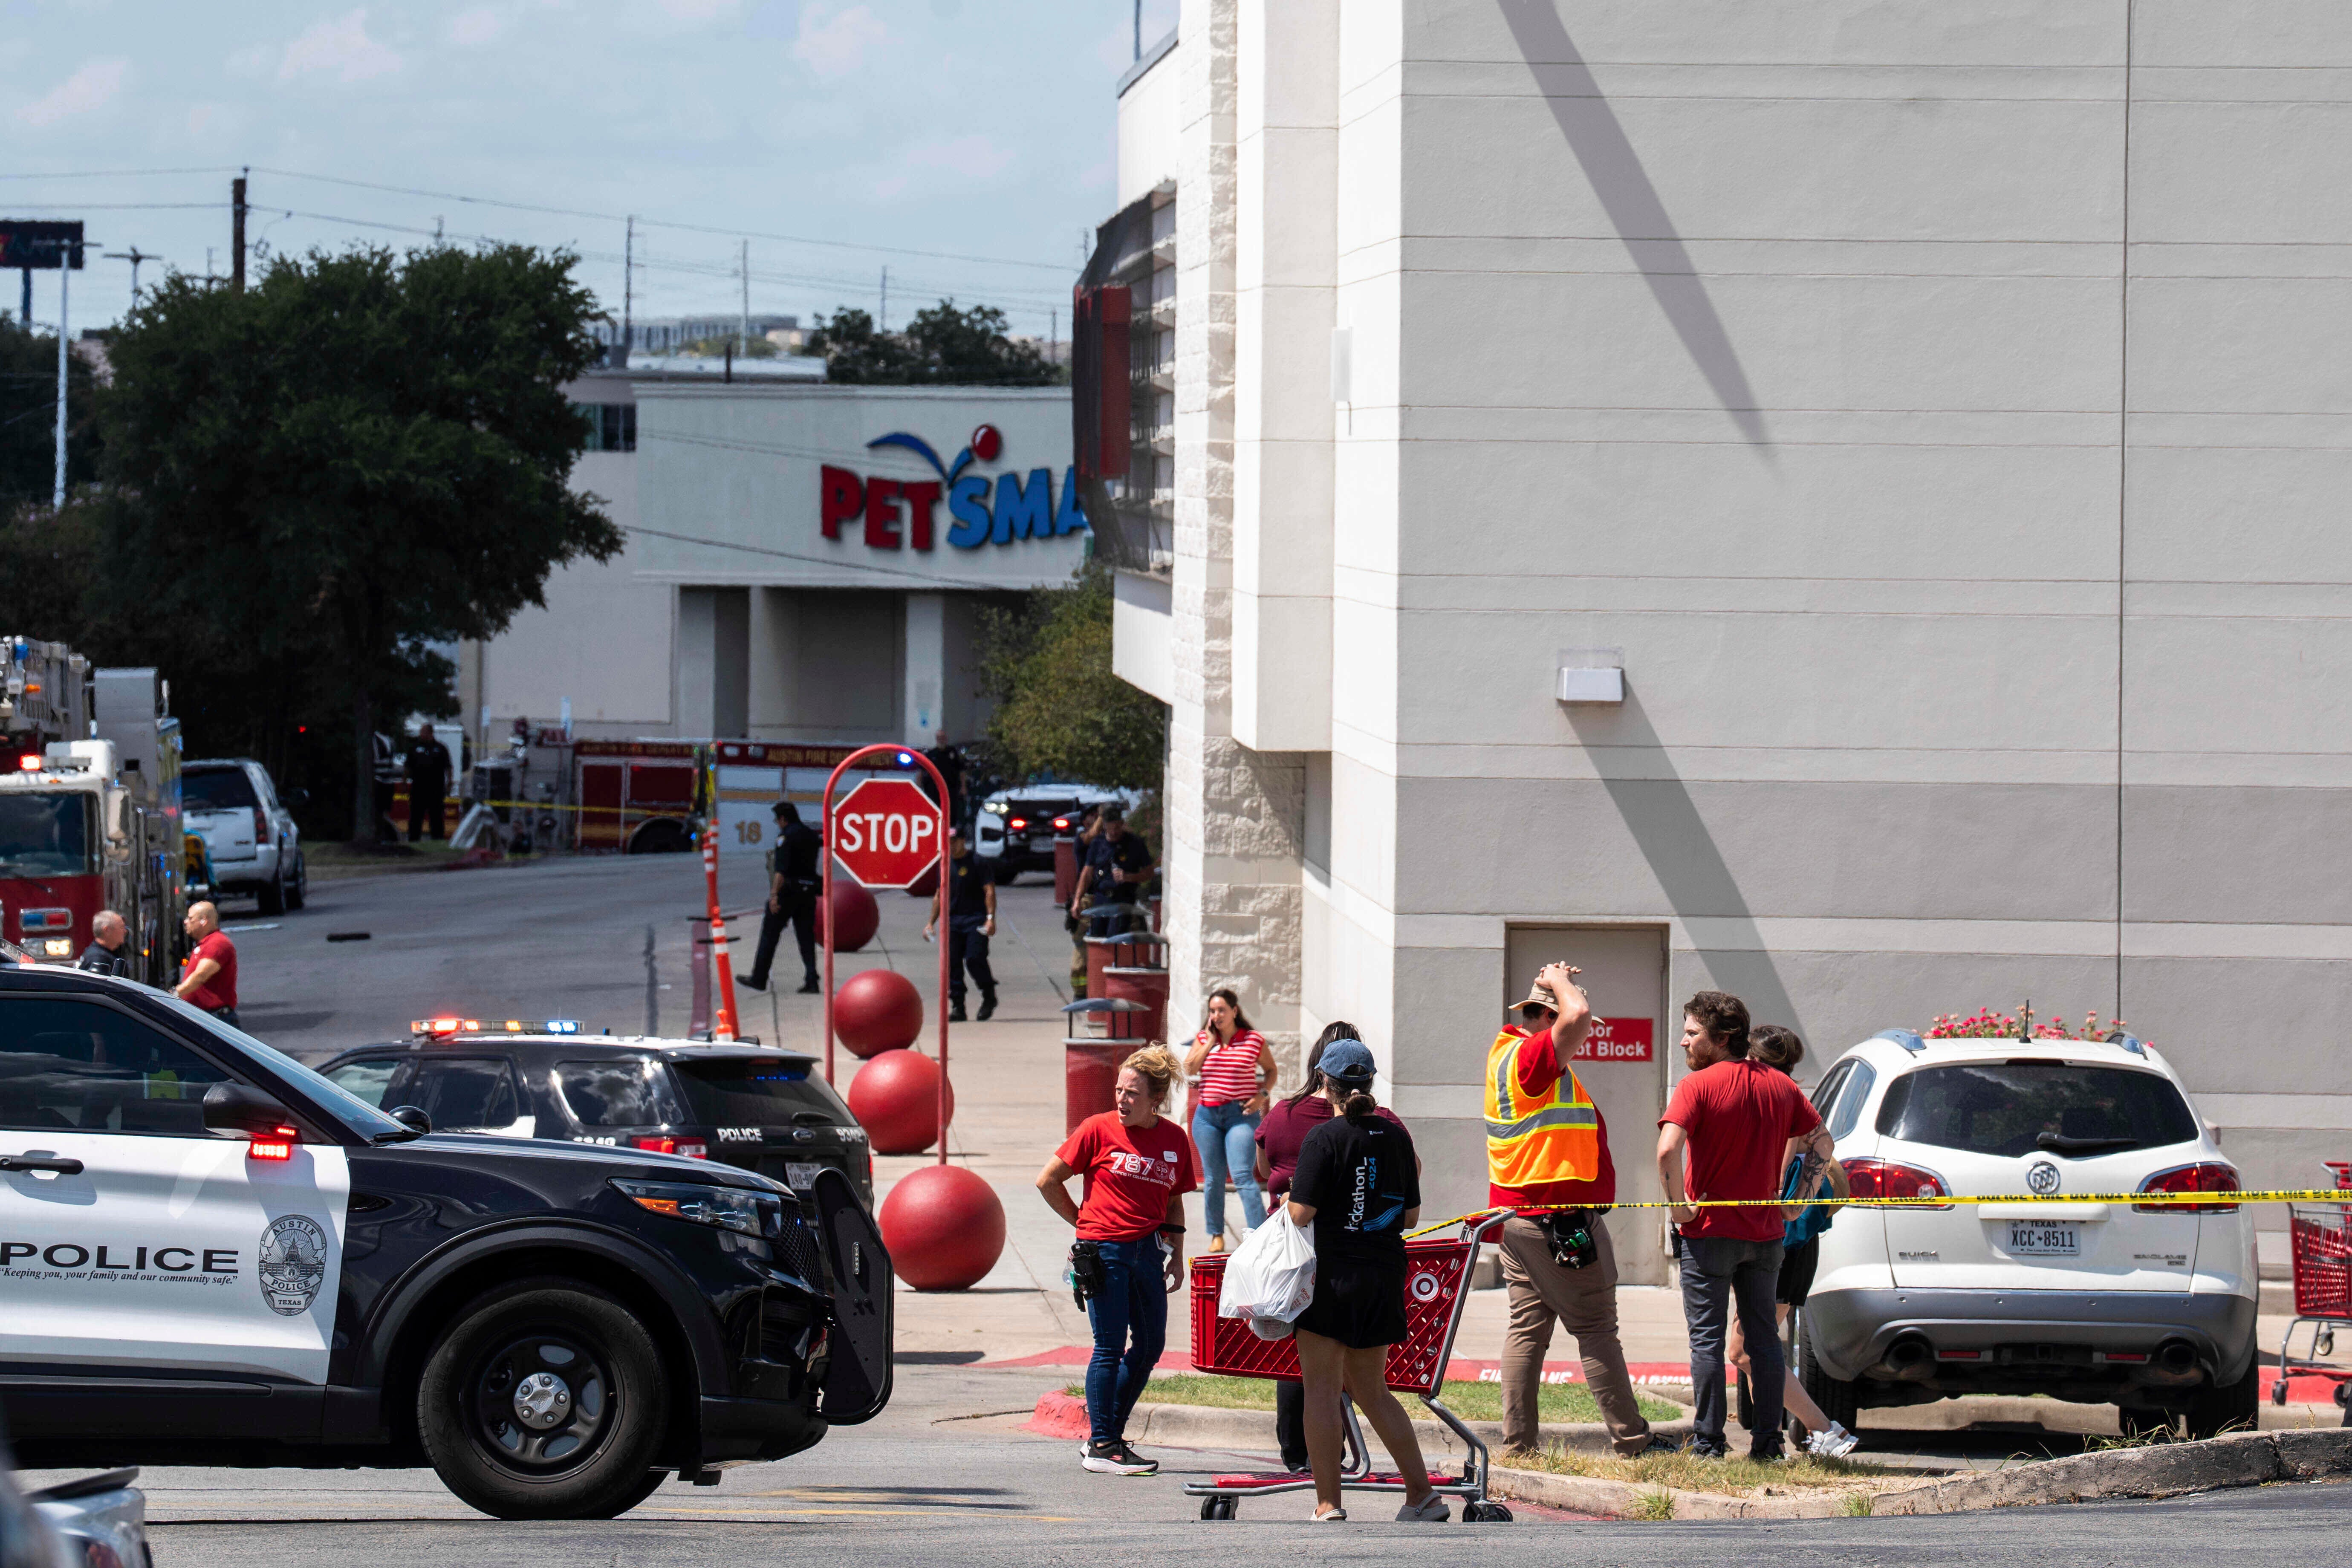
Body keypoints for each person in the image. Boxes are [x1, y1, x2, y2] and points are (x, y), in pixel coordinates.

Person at [1488, 963, 1670, 1460]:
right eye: (1559, 1015)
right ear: (1547, 1015)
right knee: (1595, 1329)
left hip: (1520, 1220)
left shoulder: (1509, 1056)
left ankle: (1520, 1446)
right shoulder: (1532, 1059)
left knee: (1527, 1329)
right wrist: (1559, 980)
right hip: (1555, 1223)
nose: (1582, 1037)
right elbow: (1580, 1013)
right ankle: (1633, 1441)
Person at [1656, 990, 1833, 1459]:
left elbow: (1666, 1150)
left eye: (1692, 1033)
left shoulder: (1696, 1086)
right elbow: (1823, 1143)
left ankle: (1710, 1443)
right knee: (1764, 1342)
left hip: (1709, 1234)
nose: (1683, 1043)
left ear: (1722, 1038)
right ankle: (1768, 1444)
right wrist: (1795, 1203)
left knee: (1708, 1342)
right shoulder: (1781, 1086)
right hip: (1766, 1236)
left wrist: (1678, 1209)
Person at [1286, 1038, 1444, 1523]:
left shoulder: (1324, 1138)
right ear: (1370, 1083)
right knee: (1372, 1389)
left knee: (1320, 1388)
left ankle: (1328, 1502)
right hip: (1382, 1274)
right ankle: (1422, 1495)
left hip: (1332, 1277)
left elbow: (1299, 1212)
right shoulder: (1395, 1137)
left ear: (1324, 1083)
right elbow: (1412, 1214)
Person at [1036, 1044, 1197, 1476]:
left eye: (1132, 1093)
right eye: (1119, 1090)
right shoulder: (1097, 1129)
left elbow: (1175, 1203)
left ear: (1155, 1100)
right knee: (1108, 1345)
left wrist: (1177, 1257)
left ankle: (1108, 1436)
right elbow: (1047, 1179)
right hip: (1104, 1249)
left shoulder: (1173, 1138)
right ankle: (1102, 1443)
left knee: (1150, 1344)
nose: (1122, 1100)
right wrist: (1081, 1220)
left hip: (1148, 1249)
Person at [1255, 1021, 1403, 1472]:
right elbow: (1408, 1194)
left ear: (1321, 1072)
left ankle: (1316, 1479)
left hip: (1304, 1266)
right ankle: (1418, 1489)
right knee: (1370, 1387)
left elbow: (1269, 1179)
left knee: (1311, 1378)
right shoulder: (1389, 1129)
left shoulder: (1286, 1118)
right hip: (1374, 1265)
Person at [1727, 1025, 1859, 1458]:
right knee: (1749, 1349)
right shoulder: (1790, 1100)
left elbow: (1772, 1179)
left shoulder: (1779, 1104)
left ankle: (1825, 1430)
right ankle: (1771, 1442)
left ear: (1755, 1062)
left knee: (1748, 1348)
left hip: (1783, 1244)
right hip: (1787, 1242)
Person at [1183, 988, 1274, 1253]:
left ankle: (1259, 1234)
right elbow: (1189, 1069)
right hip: (1207, 1118)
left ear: (1235, 1011)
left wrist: (1262, 1096)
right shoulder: (1203, 1038)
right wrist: (1210, 1042)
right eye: (1212, 1011)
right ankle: (1216, 1233)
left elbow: (1271, 1070)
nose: (1217, 1015)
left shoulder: (1253, 1040)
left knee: (1244, 1175)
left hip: (1240, 1117)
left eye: (1222, 1010)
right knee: (1213, 1178)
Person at [743, 801, 821, 994]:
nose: (777, 823)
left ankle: (759, 978)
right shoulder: (811, 835)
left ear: (783, 819)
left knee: (770, 934)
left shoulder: (785, 838)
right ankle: (812, 979)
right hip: (809, 891)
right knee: (806, 937)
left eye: (777, 820)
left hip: (789, 893)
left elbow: (781, 871)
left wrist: (774, 896)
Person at [923, 826, 998, 1022]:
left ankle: (989, 995)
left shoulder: (978, 862)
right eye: (948, 841)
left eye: (955, 841)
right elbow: (939, 896)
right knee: (953, 964)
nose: (951, 845)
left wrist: (990, 919)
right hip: (953, 921)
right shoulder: (944, 865)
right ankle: (958, 1006)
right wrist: (931, 923)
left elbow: (989, 891)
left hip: (976, 919)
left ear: (964, 841)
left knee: (974, 958)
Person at [1070, 806, 1152, 939]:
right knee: (1097, 938)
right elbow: (1087, 874)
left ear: (1122, 824)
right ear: (1104, 827)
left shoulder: (1134, 843)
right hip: (1101, 898)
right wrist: (1077, 900)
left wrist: (1129, 877)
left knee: (1114, 938)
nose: (1114, 833)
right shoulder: (1097, 844)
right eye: (1110, 828)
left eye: (1117, 828)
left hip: (1123, 899)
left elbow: (1149, 872)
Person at [174, 901, 238, 1026]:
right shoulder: (206, 943)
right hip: (206, 1016)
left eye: (190, 918)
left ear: (204, 920)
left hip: (216, 1019)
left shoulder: (217, 944)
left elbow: (201, 975)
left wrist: (176, 993)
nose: (186, 921)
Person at [1066, 806, 1104, 999]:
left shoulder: (1108, 839)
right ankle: (1080, 992)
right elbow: (1093, 834)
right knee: (1082, 943)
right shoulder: (1082, 839)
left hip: (1105, 897)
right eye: (1092, 816)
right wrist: (1104, 814)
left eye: (1098, 815)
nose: (1097, 818)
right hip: (1087, 899)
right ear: (1084, 822)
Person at [404, 725, 454, 843]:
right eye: (421, 732)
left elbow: (448, 767)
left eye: (424, 732)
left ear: (431, 733)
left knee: (436, 817)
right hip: (418, 788)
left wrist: (450, 783)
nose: (421, 735)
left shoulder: (440, 748)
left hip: (436, 789)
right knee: (416, 817)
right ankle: (414, 840)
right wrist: (404, 781)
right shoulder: (415, 748)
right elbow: (408, 766)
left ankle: (438, 841)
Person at [921, 731, 967, 829]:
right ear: (936, 739)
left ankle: (950, 833)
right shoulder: (931, 755)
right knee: (935, 812)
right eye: (939, 737)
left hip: (951, 790)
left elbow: (962, 771)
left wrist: (963, 787)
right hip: (934, 791)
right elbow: (921, 773)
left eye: (943, 737)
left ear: (946, 738)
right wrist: (920, 789)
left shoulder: (953, 752)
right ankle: (936, 830)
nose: (941, 739)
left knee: (951, 813)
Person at [75, 910, 130, 977]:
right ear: (107, 930)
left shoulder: (103, 953)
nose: (125, 931)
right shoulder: (98, 960)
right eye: (122, 927)